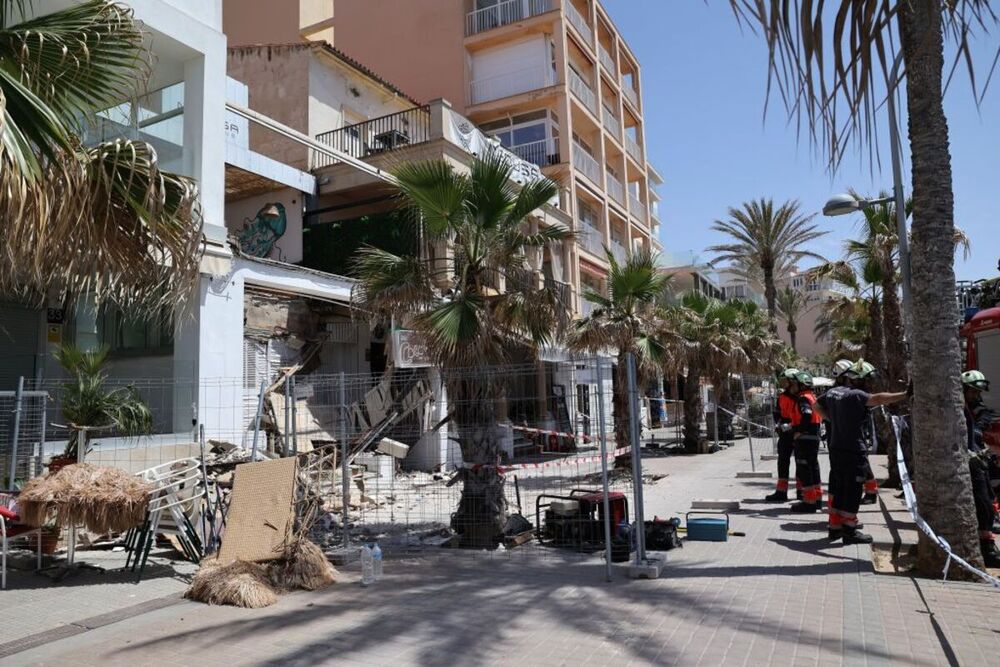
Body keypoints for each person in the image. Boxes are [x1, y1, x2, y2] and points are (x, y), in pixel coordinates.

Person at [815, 359, 908, 544]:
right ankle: (849, 530)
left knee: (838, 488)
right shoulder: (856, 395)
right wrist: (905, 394)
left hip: (836, 450)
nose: (868, 384)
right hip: (853, 451)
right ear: (857, 379)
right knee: (852, 491)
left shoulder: (832, 392)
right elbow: (880, 398)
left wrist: (830, 419)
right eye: (866, 380)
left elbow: (815, 406)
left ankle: (834, 528)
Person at [961, 370, 1000, 567]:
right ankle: (986, 547)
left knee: (987, 501)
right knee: (982, 503)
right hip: (968, 461)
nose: (976, 396)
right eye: (973, 392)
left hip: (978, 460)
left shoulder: (977, 409)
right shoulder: (959, 408)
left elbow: (983, 420)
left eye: (978, 393)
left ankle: (988, 544)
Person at [789, 371, 824, 513]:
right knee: (813, 468)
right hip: (813, 437)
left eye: (795, 384)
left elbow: (807, 414)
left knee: (805, 469)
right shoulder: (812, 397)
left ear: (801, 385)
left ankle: (809, 502)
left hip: (805, 438)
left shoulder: (803, 398)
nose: (792, 386)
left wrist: (800, 431)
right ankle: (817, 500)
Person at [765, 369, 801, 503]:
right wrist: (778, 424)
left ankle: (802, 491)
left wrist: (794, 426)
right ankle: (781, 492)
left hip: (798, 431)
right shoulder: (781, 397)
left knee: (801, 462)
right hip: (785, 433)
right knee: (783, 462)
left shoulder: (802, 397)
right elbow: (777, 413)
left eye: (786, 380)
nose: (783, 383)